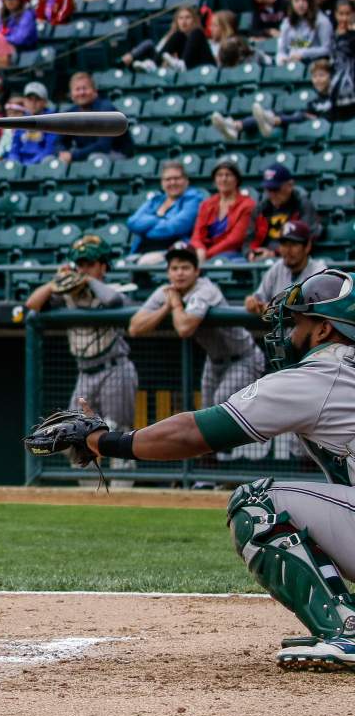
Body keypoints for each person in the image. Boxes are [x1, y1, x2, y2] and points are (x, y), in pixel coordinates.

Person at [29, 268, 355, 671]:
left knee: (256, 502)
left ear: (324, 330)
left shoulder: (322, 374)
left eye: (298, 323)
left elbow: (192, 434)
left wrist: (103, 440)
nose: (287, 334)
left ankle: (347, 629)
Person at [25, 235, 138, 477]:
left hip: (115, 368)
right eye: (80, 263)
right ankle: (89, 496)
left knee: (117, 434)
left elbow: (114, 301)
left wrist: (86, 278)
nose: (83, 268)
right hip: (85, 373)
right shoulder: (67, 294)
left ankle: (123, 495)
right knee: (72, 434)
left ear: (103, 266)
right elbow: (32, 304)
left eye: (90, 263)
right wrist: (57, 280)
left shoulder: (112, 289)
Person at [129, 242, 264, 410]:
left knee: (223, 408)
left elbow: (185, 329)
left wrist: (176, 305)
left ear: (196, 271)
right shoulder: (168, 291)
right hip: (214, 361)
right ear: (168, 272)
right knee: (206, 414)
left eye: (185, 268)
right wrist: (165, 308)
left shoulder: (206, 289)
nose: (180, 273)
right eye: (175, 268)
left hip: (243, 357)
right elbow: (134, 327)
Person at [212, 58, 335, 141]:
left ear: (331, 77)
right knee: (277, 112)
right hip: (306, 120)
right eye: (314, 76)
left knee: (299, 115)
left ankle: (269, 121)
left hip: (319, 125)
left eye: (322, 76)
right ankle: (235, 125)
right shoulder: (314, 100)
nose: (318, 80)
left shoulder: (337, 96)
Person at [126, 160, 205, 264]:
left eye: (177, 178)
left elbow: (175, 227)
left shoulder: (193, 199)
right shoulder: (156, 200)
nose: (172, 182)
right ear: (162, 183)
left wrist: (146, 230)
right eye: (168, 179)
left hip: (174, 252)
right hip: (140, 250)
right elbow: (132, 222)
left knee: (143, 263)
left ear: (186, 181)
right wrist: (157, 219)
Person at [245, 220, 328, 314]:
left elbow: (310, 309)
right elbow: (259, 298)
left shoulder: (319, 271)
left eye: (294, 244)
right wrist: (252, 301)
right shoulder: (277, 268)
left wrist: (272, 309)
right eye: (284, 244)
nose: (287, 250)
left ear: (307, 246)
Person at [57, 72, 133, 163]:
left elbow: (103, 146)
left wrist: (73, 155)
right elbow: (58, 142)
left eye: (85, 88)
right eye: (77, 89)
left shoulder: (107, 110)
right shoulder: (69, 114)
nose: (81, 93)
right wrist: (62, 153)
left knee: (94, 158)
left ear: (95, 91)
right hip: (88, 155)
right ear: (72, 95)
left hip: (117, 155)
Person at [249, 164, 320, 260]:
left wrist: (274, 253)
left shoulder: (302, 205)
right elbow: (249, 238)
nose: (272, 194)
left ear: (290, 185)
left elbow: (306, 238)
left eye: (276, 189)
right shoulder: (261, 208)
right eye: (268, 189)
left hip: (292, 258)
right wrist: (251, 252)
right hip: (262, 256)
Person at [191, 160, 255, 262]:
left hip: (232, 253)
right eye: (219, 175)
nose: (224, 179)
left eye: (228, 175)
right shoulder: (206, 204)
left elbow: (235, 240)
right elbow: (197, 235)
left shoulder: (247, 205)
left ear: (237, 179)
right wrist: (200, 250)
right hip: (204, 253)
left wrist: (207, 255)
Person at [121, 6, 214, 73]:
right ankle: (153, 64)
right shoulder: (177, 36)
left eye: (188, 18)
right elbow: (161, 51)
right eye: (180, 18)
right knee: (178, 35)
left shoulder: (200, 34)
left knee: (196, 32)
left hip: (206, 68)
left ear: (194, 20)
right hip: (188, 70)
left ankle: (182, 64)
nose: (184, 22)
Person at [4, 82, 58, 164]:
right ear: (24, 101)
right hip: (21, 164)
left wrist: (32, 164)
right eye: (30, 99)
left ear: (45, 102)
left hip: (41, 164)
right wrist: (15, 161)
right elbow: (15, 147)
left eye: (37, 99)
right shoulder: (21, 121)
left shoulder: (51, 120)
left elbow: (50, 149)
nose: (33, 103)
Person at [277, 0, 333, 65]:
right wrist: (282, 58)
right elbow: (282, 50)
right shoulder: (287, 22)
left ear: (310, 2)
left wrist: (303, 54)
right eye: (296, 1)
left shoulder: (322, 22)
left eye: (304, 0)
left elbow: (327, 49)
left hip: (315, 63)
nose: (300, 4)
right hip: (292, 63)